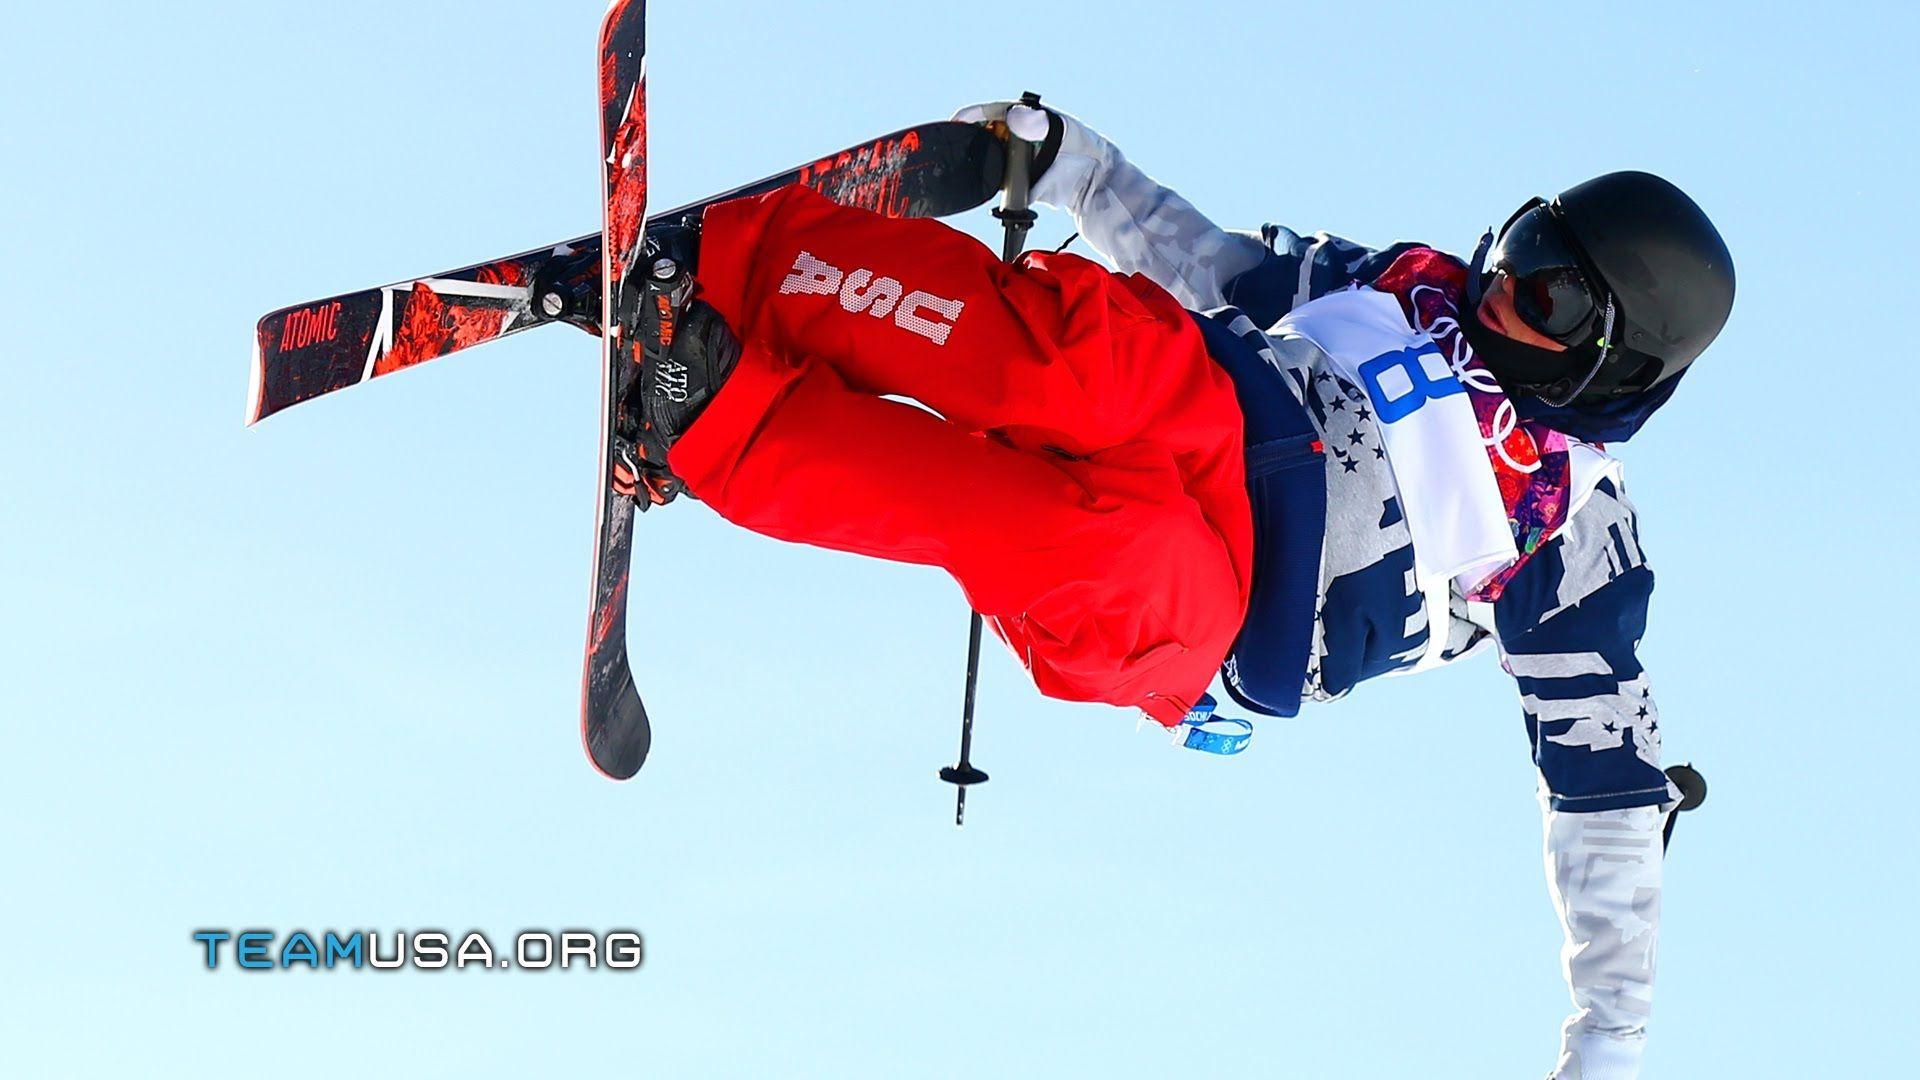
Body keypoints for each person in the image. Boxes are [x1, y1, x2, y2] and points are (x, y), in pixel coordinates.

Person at [613, 100, 1735, 1079]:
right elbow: (1216, 263)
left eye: (1553, 300)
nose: (1503, 294)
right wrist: (1080, 169)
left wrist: (1609, 1041)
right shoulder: (1406, 286)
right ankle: (735, 270)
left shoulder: (1576, 530)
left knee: (1081, 541)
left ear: (1615, 363)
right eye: (1522, 247)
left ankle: (704, 409)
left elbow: (1607, 799)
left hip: (1240, 607)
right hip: (1220, 397)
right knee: (1073, 355)